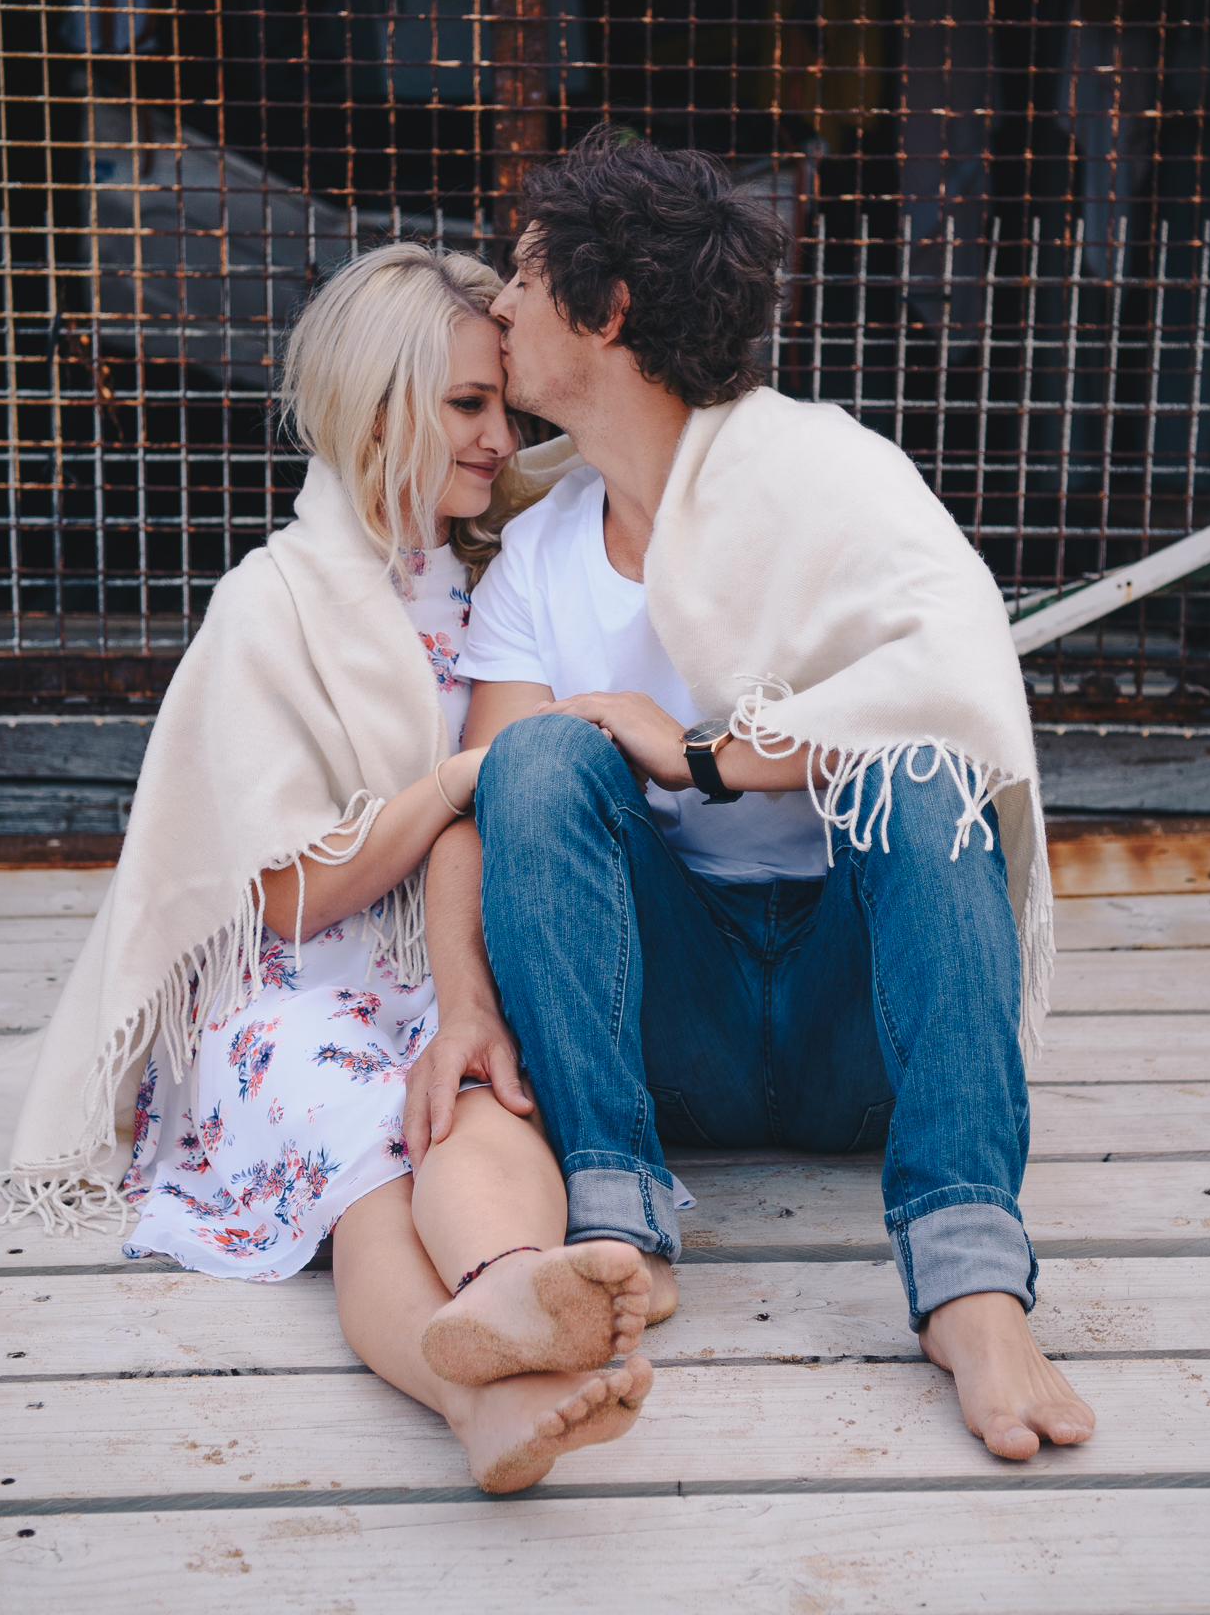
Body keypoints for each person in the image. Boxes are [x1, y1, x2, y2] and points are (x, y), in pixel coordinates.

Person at [405, 128, 1098, 1464]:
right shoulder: (541, 559)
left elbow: (953, 677)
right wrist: (466, 1011)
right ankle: (616, 1223)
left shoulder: (827, 471)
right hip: (675, 1034)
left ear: (605, 312)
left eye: (528, 279)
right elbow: (486, 802)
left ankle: (967, 1281)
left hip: (864, 1026)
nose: (500, 305)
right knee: (539, 758)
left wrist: (703, 753)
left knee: (920, 766)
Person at [6, 245, 655, 1494]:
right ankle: (471, 1385)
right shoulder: (276, 602)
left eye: (503, 406)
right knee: (370, 1159)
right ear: (379, 406)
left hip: (427, 965)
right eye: (466, 405)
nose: (496, 435)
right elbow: (282, 894)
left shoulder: (486, 579)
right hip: (279, 996)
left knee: (480, 1098)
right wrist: (464, 778)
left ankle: (510, 1288)